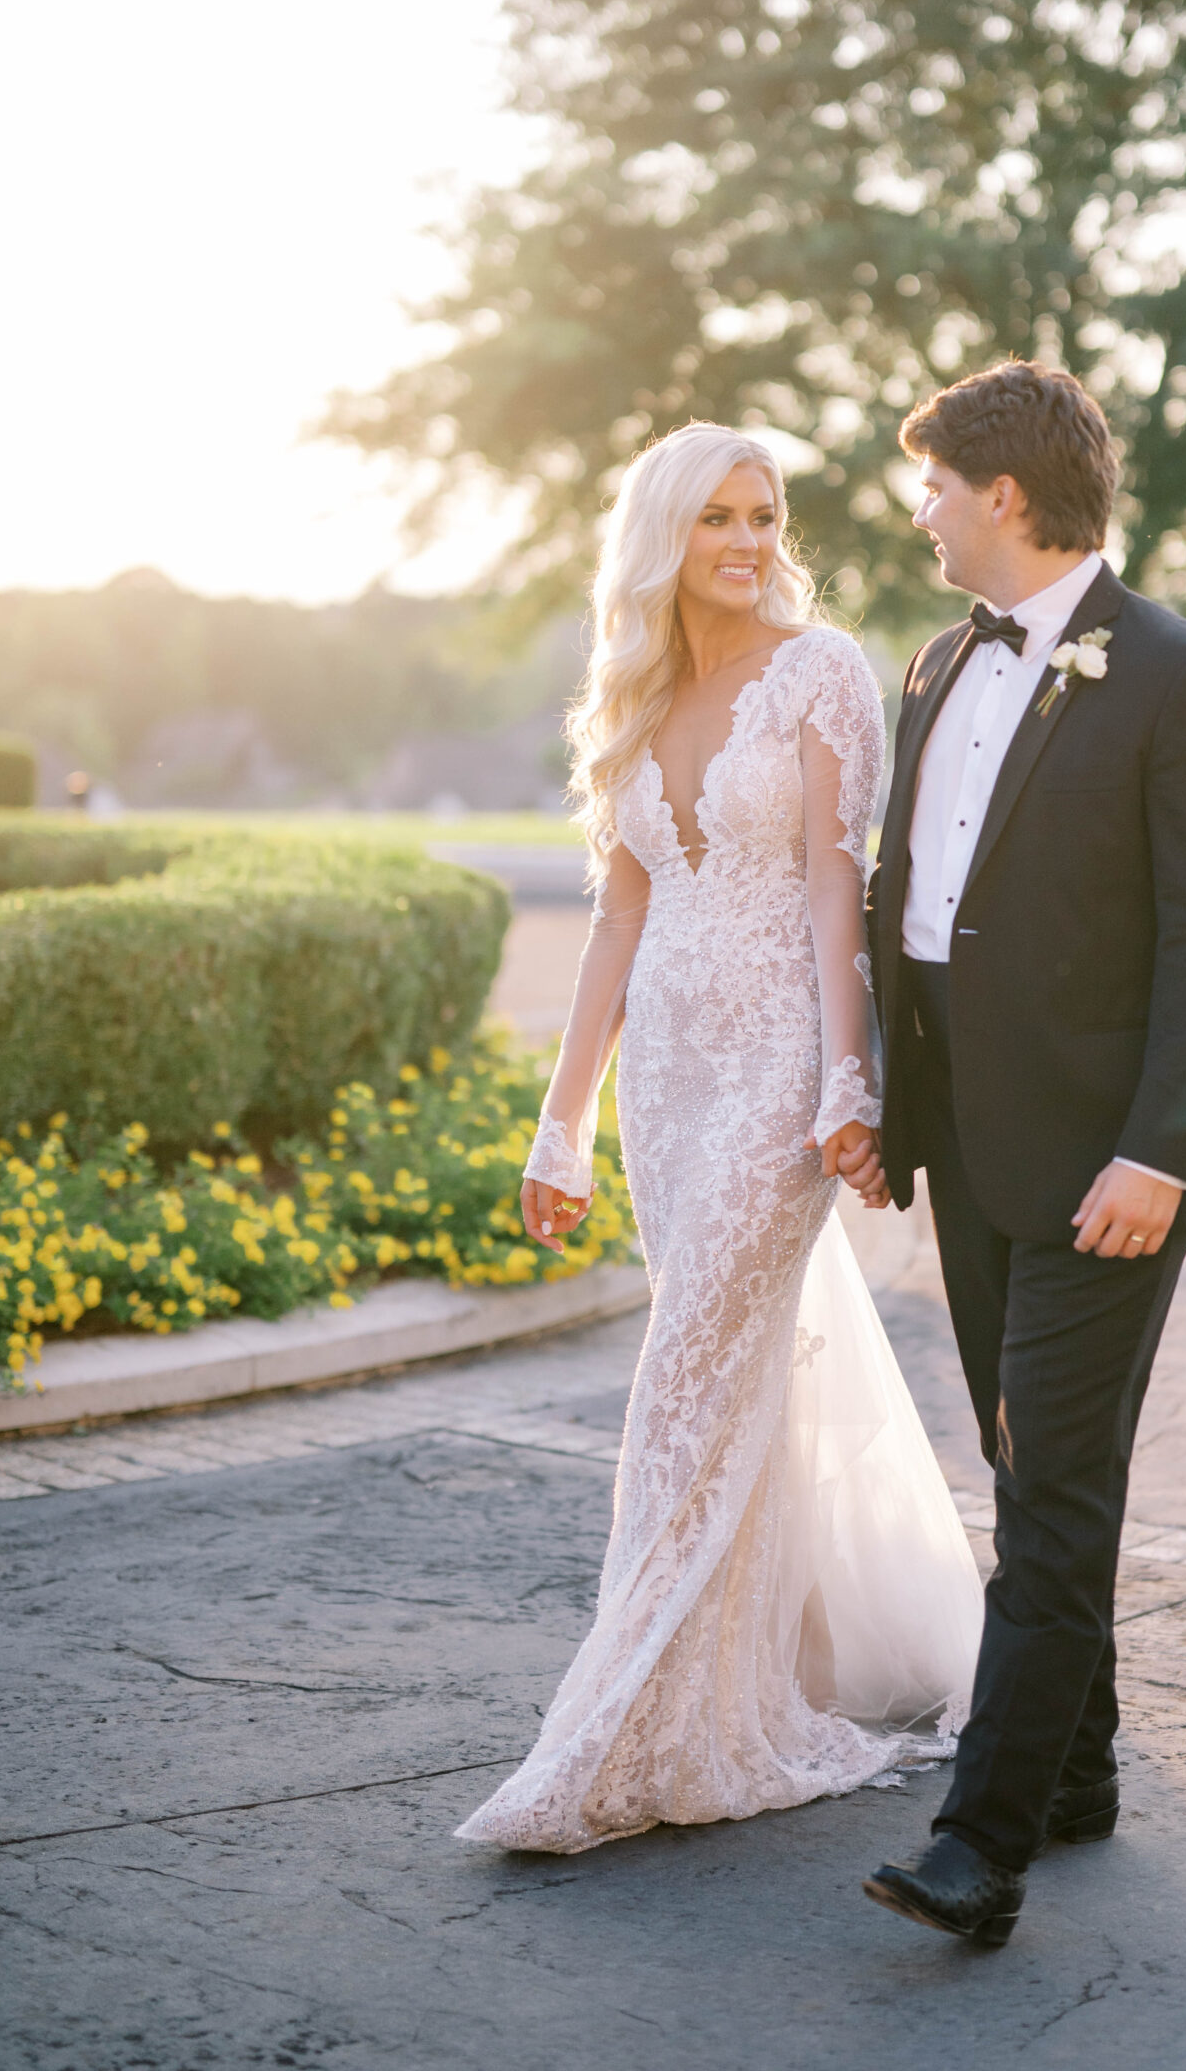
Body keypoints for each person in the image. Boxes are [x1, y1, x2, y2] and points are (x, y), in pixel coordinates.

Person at [456, 423, 983, 1854]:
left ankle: (621, 1720)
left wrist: (845, 1083)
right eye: (718, 520)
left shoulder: (818, 675)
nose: (750, 541)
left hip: (775, 1069)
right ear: (663, 537)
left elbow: (836, 893)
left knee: (686, 1367)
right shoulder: (631, 698)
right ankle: (714, 1687)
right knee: (716, 1367)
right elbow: (616, 922)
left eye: (766, 515)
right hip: (668, 1089)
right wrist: (560, 1122)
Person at [861, 359, 1186, 1948]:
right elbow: (918, 908)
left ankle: (982, 1840)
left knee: (1054, 1487)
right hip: (968, 1145)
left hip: (1114, 1169)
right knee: (1029, 1466)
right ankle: (1078, 1770)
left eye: (934, 488)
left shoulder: (1182, 674)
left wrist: (1162, 1154)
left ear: (1006, 496)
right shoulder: (930, 668)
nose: (921, 515)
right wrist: (887, 1103)